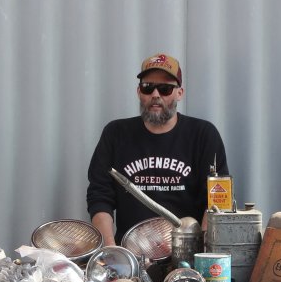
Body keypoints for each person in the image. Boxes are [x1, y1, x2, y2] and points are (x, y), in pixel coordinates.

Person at [86, 52, 229, 246]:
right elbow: (99, 195)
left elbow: (216, 200)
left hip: (186, 250)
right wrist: (112, 250)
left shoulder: (203, 135)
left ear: (179, 93)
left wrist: (204, 251)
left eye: (165, 89)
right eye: (148, 87)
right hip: (131, 250)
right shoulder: (116, 134)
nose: (155, 95)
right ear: (139, 91)